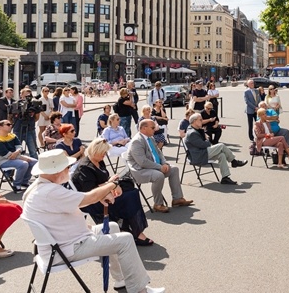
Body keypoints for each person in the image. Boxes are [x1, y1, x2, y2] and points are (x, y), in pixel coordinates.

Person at [22, 149, 165, 293]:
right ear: (56, 171)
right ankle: (140, 290)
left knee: (113, 227)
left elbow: (77, 202)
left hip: (59, 244)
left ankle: (121, 280)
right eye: (67, 167)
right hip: (67, 248)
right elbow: (87, 198)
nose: (69, 169)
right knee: (126, 239)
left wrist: (99, 196)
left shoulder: (37, 188)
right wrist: (112, 185)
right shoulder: (50, 192)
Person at [71, 139, 153, 246]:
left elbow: (103, 179)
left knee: (130, 187)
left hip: (104, 192)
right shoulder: (84, 167)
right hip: (92, 201)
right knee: (130, 197)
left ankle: (128, 228)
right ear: (95, 151)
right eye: (103, 152)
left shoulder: (99, 160)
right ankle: (137, 232)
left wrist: (112, 183)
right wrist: (110, 183)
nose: (105, 155)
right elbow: (91, 191)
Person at [126, 118, 193, 213]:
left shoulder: (150, 138)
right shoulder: (137, 141)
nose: (155, 129)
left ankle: (177, 199)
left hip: (154, 167)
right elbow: (143, 162)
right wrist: (159, 167)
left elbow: (159, 152)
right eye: (153, 127)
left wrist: (165, 163)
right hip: (140, 171)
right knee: (159, 176)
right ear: (144, 128)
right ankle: (158, 204)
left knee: (174, 169)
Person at [184, 113, 247, 185]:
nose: (202, 121)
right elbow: (205, 145)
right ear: (194, 121)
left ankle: (225, 178)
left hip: (202, 152)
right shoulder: (192, 133)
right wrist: (207, 138)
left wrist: (204, 135)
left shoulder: (195, 129)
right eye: (200, 120)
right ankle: (234, 161)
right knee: (221, 146)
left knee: (222, 155)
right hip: (199, 156)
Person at [0, 119, 37, 191]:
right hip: (3, 161)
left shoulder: (12, 136)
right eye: (8, 125)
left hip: (15, 157)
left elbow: (19, 147)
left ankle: (24, 181)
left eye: (11, 124)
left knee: (34, 161)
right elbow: (8, 156)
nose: (11, 126)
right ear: (0, 127)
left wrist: (17, 152)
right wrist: (21, 157)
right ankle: (17, 184)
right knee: (24, 164)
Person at [11, 87, 40, 158]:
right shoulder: (16, 104)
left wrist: (30, 121)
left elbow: (37, 117)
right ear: (21, 95)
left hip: (30, 130)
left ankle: (35, 166)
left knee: (33, 151)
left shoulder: (34, 105)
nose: (28, 97)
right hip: (18, 130)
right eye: (26, 95)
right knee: (16, 151)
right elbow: (10, 117)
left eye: (29, 95)